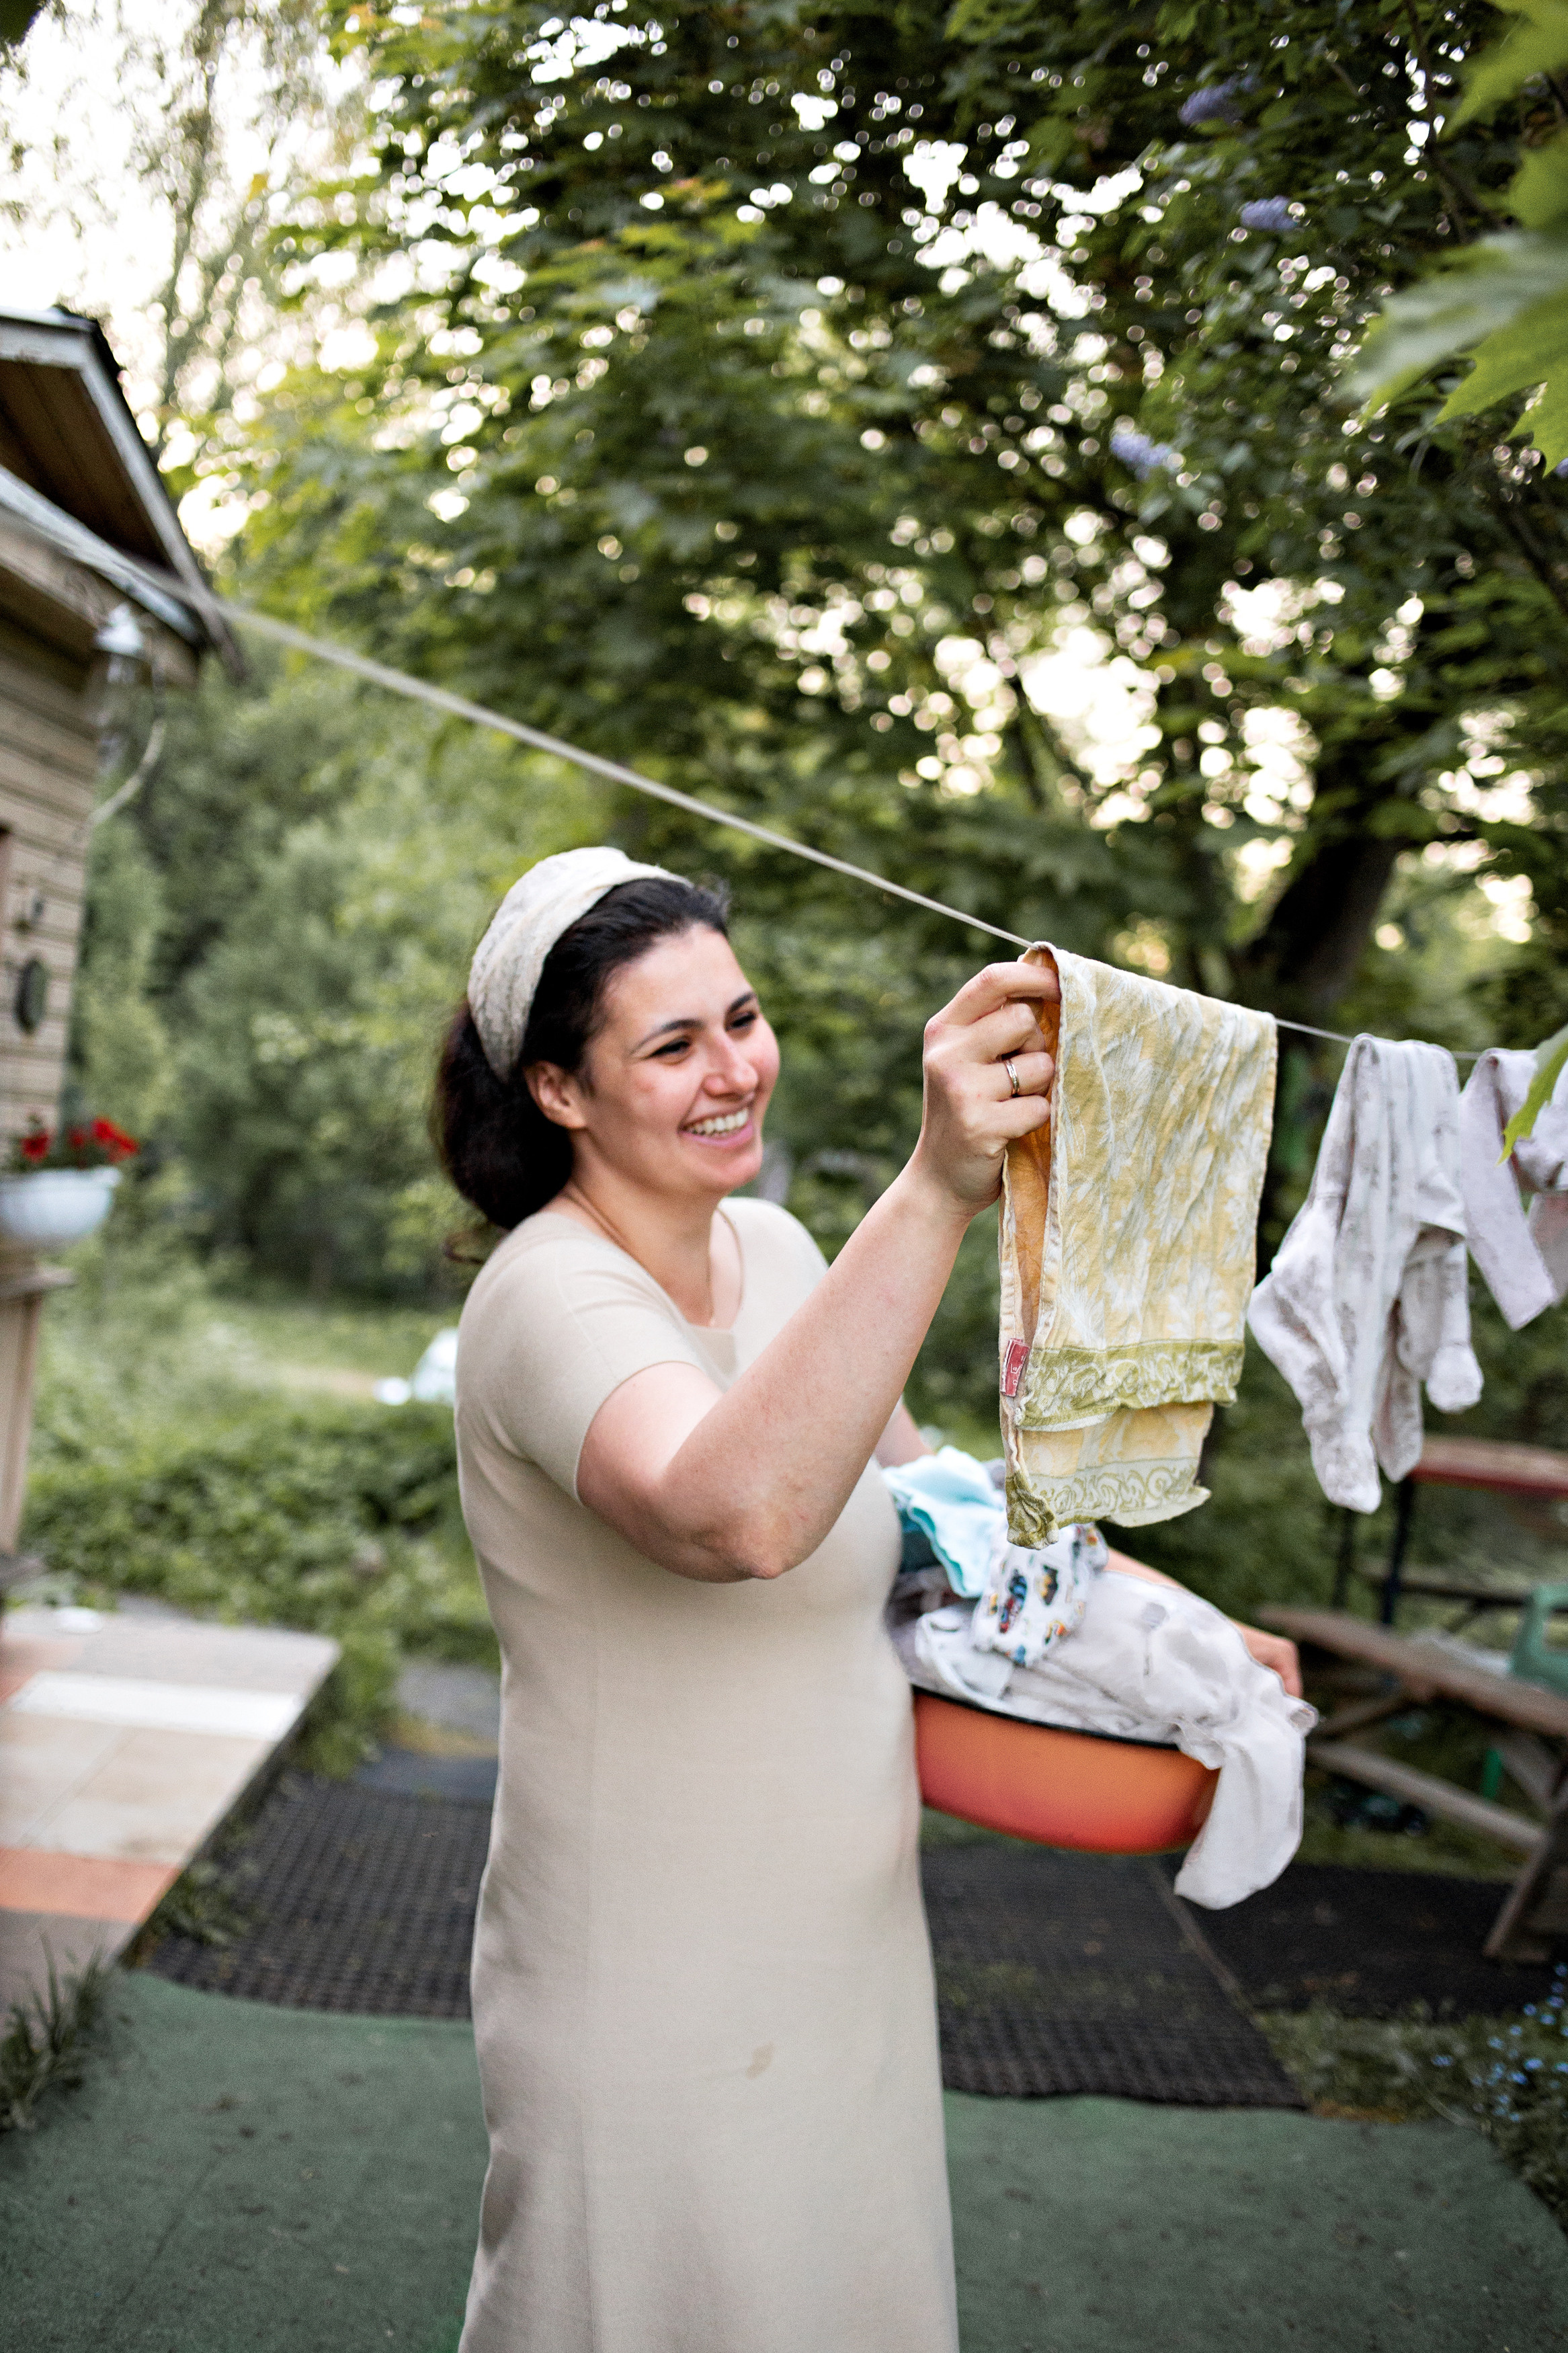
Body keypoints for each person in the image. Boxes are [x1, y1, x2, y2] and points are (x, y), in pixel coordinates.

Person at [436, 846, 1301, 2353]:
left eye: (743, 1018)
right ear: (560, 1089)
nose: (734, 1072)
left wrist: (1187, 1630)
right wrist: (936, 1186)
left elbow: (942, 1511)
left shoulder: (772, 1247)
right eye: (672, 1043)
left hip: (842, 1942)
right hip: (646, 1964)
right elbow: (736, 1512)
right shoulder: (543, 1297)